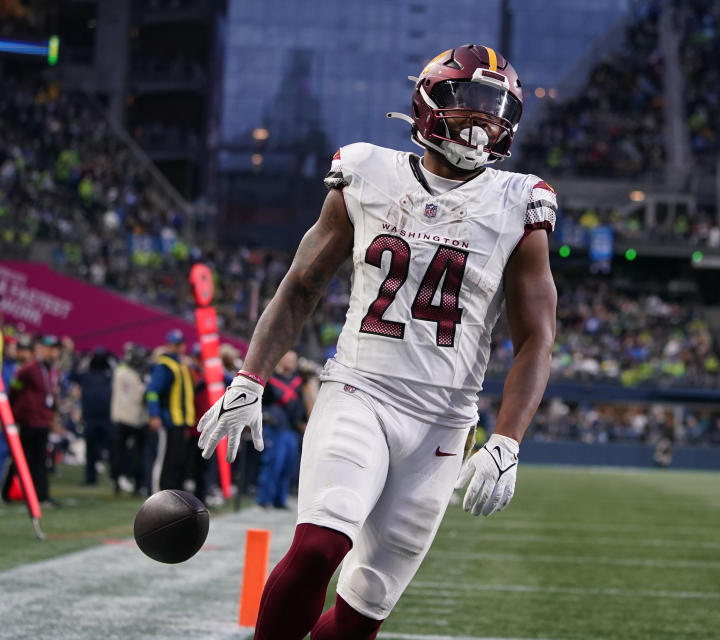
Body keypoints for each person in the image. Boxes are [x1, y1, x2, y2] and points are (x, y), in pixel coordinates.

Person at [197, 44, 557, 640]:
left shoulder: (520, 202)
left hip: (444, 422)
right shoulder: (367, 172)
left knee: (364, 611)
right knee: (318, 546)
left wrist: (507, 440)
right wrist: (250, 376)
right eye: (470, 102)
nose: (484, 120)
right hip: (359, 390)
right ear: (430, 99)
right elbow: (301, 285)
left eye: (498, 109)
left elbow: (537, 339)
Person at [3, 334, 61, 505]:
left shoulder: (54, 370)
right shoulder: (28, 370)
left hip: (43, 421)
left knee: (41, 460)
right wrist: (13, 413)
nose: (54, 352)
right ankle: (7, 492)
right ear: (42, 350)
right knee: (20, 459)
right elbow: (14, 391)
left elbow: (52, 394)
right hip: (27, 421)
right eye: (51, 349)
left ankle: (41, 495)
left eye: (56, 349)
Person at [145, 329, 195, 492]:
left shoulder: (181, 364)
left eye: (181, 344)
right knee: (164, 460)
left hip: (181, 420)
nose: (179, 347)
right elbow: (152, 391)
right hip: (169, 420)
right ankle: (158, 493)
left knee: (177, 461)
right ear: (169, 345)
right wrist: (154, 414)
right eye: (176, 344)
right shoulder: (164, 365)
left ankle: (174, 494)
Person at [256, 350, 304, 510]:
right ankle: (264, 499)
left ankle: (279, 500)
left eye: (293, 360)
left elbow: (303, 405)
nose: (291, 363)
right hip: (275, 428)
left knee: (287, 465)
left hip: (291, 429)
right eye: (288, 359)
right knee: (272, 464)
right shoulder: (270, 379)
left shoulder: (298, 382)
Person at [71, 347, 116, 486]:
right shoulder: (87, 375)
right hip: (92, 418)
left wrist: (112, 357)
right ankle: (91, 478)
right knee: (91, 450)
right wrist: (79, 359)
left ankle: (115, 477)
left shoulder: (110, 375)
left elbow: (73, 374)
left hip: (106, 418)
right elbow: (72, 375)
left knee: (112, 450)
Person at [111, 342, 150, 495]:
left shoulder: (119, 372)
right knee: (137, 453)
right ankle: (136, 483)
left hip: (121, 416)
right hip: (137, 418)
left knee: (120, 451)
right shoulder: (138, 375)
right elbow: (141, 396)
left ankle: (117, 481)